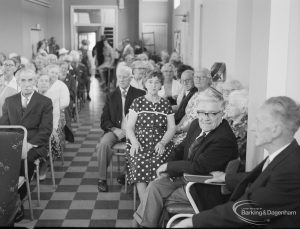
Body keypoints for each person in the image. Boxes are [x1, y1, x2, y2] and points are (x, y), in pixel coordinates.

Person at [174, 96, 300, 228]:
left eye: (258, 122)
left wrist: (194, 221)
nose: (252, 128)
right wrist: (225, 177)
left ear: (276, 130)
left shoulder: (292, 169)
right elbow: (260, 178)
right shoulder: (285, 157)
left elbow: (248, 209)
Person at [132, 87, 238, 227]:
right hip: (186, 177)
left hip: (202, 187)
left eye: (212, 113)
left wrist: (168, 166)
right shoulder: (196, 125)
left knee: (155, 195)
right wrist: (168, 169)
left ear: (222, 113)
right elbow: (181, 148)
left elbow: (199, 167)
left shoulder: (223, 139)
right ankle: (143, 224)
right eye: (201, 112)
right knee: (154, 186)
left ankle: (140, 225)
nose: (205, 118)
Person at [0, 68, 53, 222]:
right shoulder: (10, 101)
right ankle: (6, 199)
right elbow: (4, 127)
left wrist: (29, 144)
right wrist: (11, 145)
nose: (27, 84)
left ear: (35, 81)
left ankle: (16, 202)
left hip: (35, 145)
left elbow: (46, 129)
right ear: (18, 82)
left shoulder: (44, 102)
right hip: (12, 144)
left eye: (30, 80)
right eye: (23, 80)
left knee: (26, 162)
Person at [125, 70, 176, 200]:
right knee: (139, 163)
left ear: (161, 85)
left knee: (160, 165)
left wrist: (163, 142)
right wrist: (135, 142)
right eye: (150, 82)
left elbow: (171, 128)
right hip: (140, 143)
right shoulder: (138, 102)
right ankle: (145, 207)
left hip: (160, 144)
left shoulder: (165, 104)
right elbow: (129, 127)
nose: (153, 85)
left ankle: (153, 203)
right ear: (145, 84)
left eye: (157, 82)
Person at [97, 65, 146, 192]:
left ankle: (127, 174)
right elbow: (104, 120)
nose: (122, 79)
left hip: (134, 131)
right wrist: (114, 129)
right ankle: (102, 178)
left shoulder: (140, 94)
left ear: (131, 78)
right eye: (120, 77)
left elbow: (144, 117)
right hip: (115, 131)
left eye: (125, 77)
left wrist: (131, 131)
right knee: (103, 144)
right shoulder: (111, 96)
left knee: (139, 144)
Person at [173, 68, 211, 145]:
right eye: (196, 77)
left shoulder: (209, 96)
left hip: (195, 133)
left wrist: (179, 129)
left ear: (209, 80)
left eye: (202, 77)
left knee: (167, 143)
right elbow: (187, 114)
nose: (198, 79)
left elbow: (197, 121)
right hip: (183, 130)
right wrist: (177, 126)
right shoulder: (196, 94)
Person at [225, 89, 248, 172]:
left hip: (232, 168)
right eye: (227, 103)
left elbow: (232, 152)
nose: (227, 107)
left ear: (243, 109)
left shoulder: (245, 128)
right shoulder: (227, 121)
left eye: (231, 105)